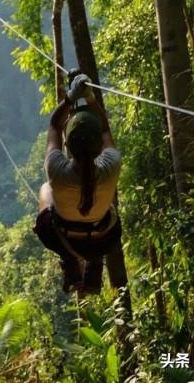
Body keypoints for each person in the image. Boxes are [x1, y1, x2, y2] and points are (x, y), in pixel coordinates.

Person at [33, 72, 122, 295]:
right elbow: (105, 129)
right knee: (104, 211)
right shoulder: (111, 165)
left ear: (68, 145)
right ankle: (94, 263)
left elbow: (54, 125)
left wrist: (71, 97)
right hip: (103, 239)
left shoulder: (56, 169)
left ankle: (70, 262)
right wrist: (91, 98)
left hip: (61, 238)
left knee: (46, 189)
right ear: (98, 147)